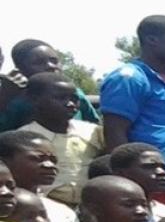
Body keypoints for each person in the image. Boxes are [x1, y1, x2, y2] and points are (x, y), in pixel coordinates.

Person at [100, 16, 165, 194]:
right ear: (152, 40)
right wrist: (127, 184)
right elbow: (114, 133)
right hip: (145, 185)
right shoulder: (129, 78)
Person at [20, 72, 103, 205]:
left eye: (74, 99)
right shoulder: (24, 139)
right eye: (60, 98)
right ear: (34, 99)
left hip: (90, 206)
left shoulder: (93, 132)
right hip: (47, 206)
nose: (70, 104)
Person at [0, 40, 100, 133]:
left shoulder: (75, 93)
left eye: (54, 61)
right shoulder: (15, 97)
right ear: (20, 70)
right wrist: (4, 98)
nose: (50, 66)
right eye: (38, 63)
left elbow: (94, 126)